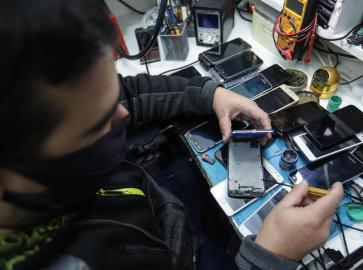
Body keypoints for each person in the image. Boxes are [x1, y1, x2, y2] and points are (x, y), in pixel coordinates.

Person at [0, 1, 343, 269]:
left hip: (162, 211)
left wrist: (210, 95)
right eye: (98, 123)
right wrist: (271, 256)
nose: (123, 115)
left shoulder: (55, 148)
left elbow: (130, 95)